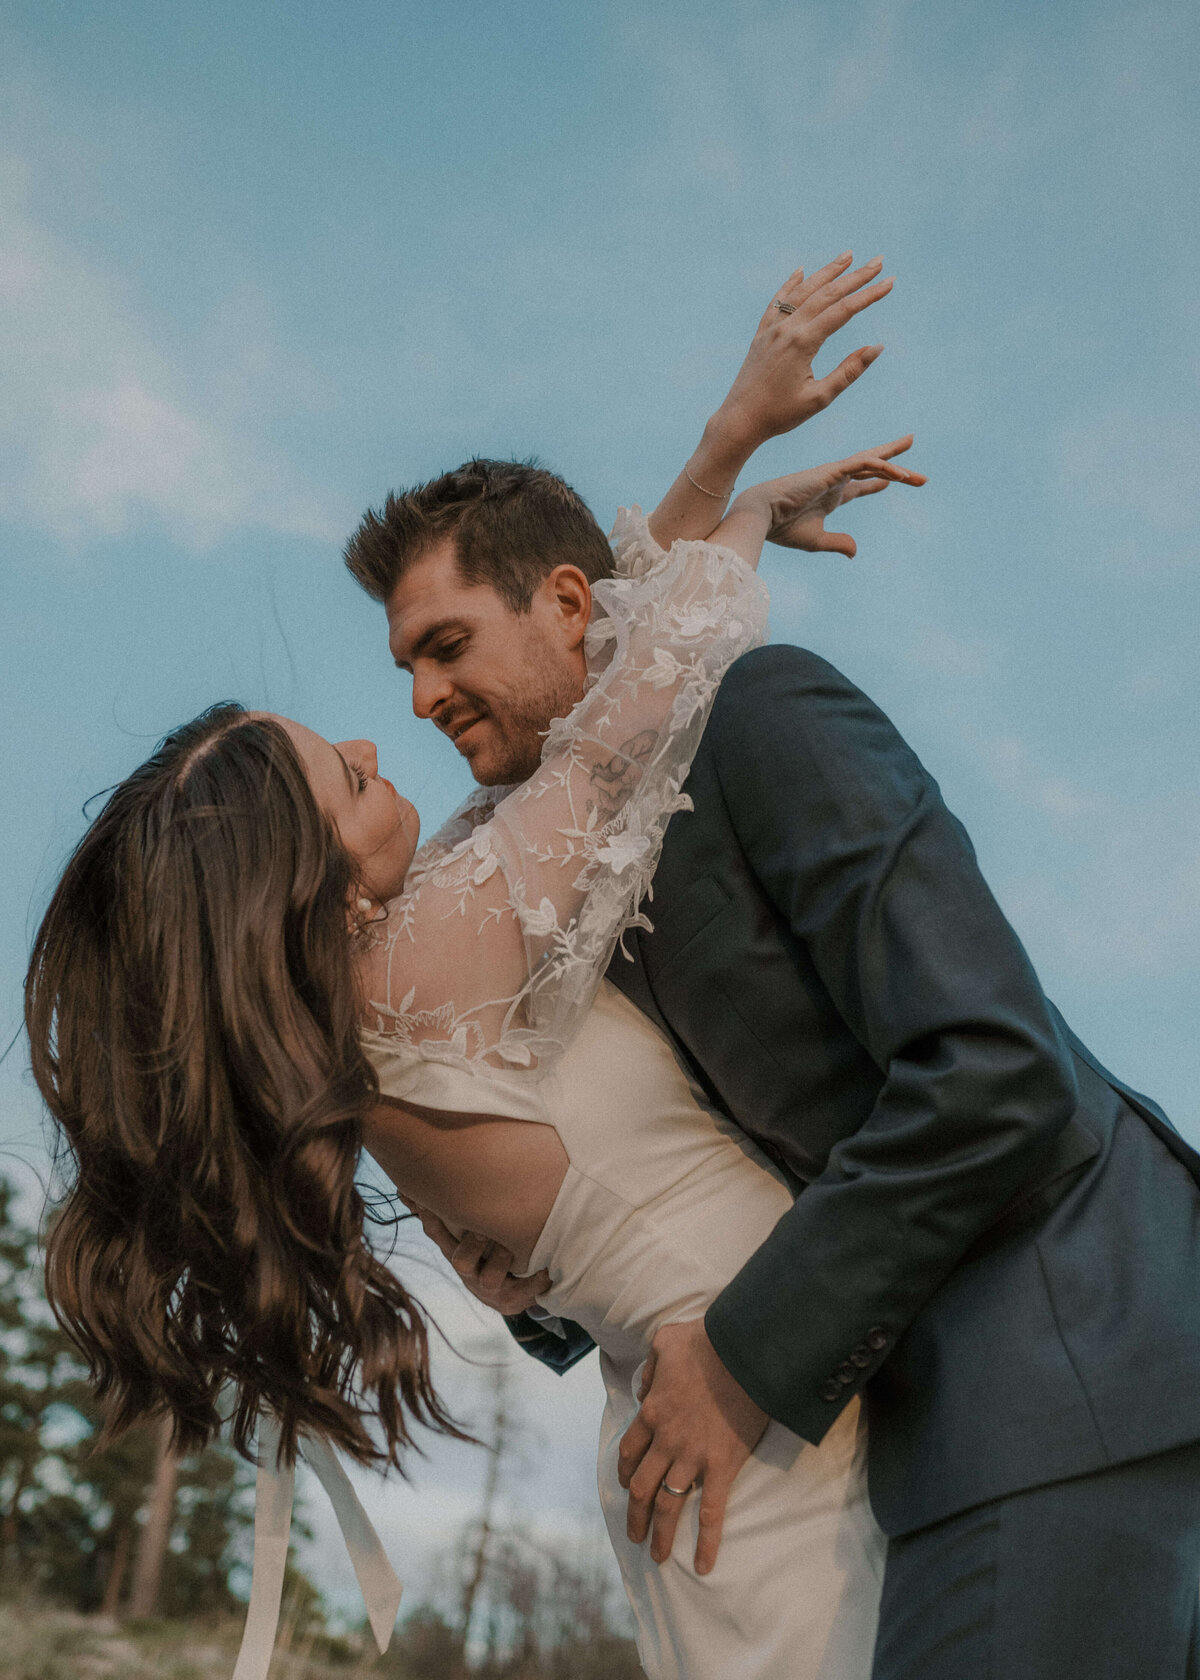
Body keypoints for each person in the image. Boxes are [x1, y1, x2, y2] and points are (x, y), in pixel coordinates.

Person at [27, 256, 922, 1680]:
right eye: (337, 766)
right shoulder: (434, 959)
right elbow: (628, 710)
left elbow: (576, 688)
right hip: (760, 1421)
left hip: (751, 1404)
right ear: (294, 878)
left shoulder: (399, 963)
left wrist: (718, 464)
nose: (381, 741)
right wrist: (738, 488)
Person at [346, 309, 1200, 1673]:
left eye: (446, 645)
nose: (422, 696)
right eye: (406, 665)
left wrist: (738, 1361)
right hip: (896, 1428)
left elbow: (992, 1070)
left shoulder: (766, 717)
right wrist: (543, 1283)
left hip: (1061, 1361)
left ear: (570, 605)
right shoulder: (561, 867)